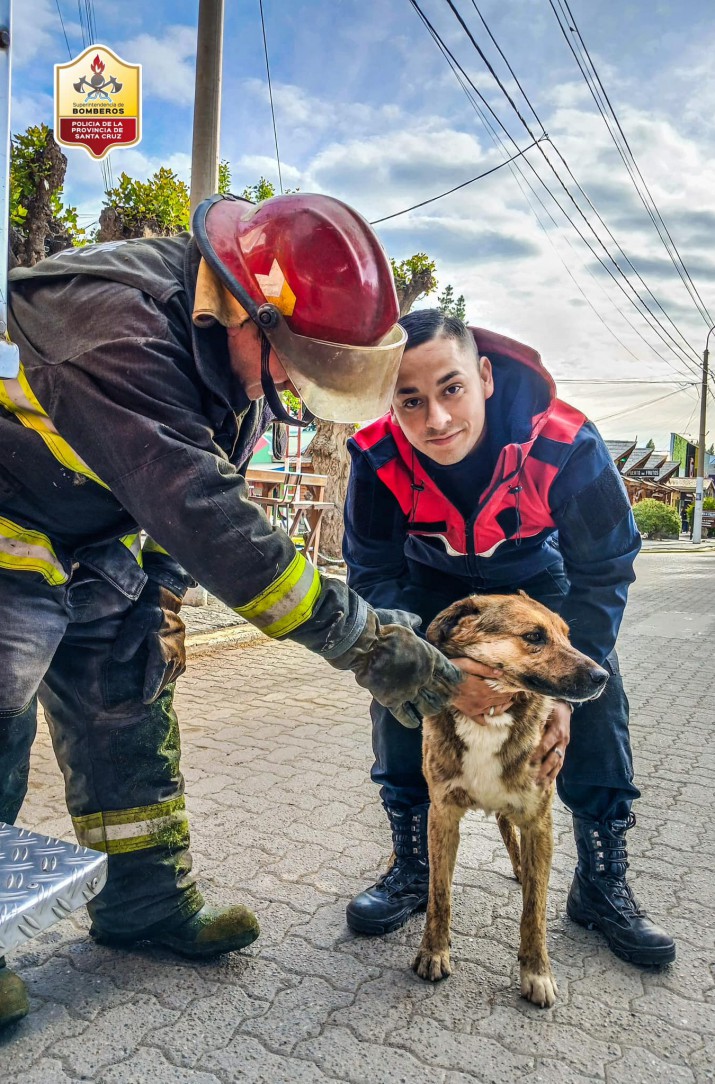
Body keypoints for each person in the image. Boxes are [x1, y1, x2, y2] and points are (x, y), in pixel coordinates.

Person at [0, 194, 466, 1027]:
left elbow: (191, 484)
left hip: (92, 532)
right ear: (248, 308)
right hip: (8, 516)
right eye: (298, 362)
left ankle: (143, 904)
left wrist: (165, 597)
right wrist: (363, 641)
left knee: (128, 700)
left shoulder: (237, 355)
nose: (296, 386)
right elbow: (203, 508)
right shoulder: (114, 330)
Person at [343, 308, 675, 968]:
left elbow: (603, 572)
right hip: (427, 582)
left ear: (485, 376)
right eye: (410, 400)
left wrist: (559, 694)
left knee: (595, 698)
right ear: (389, 401)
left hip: (536, 580)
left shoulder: (565, 443)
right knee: (398, 697)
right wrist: (430, 675)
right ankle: (411, 864)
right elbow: (375, 581)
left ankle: (601, 881)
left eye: (451, 388)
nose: (435, 419)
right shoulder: (376, 456)